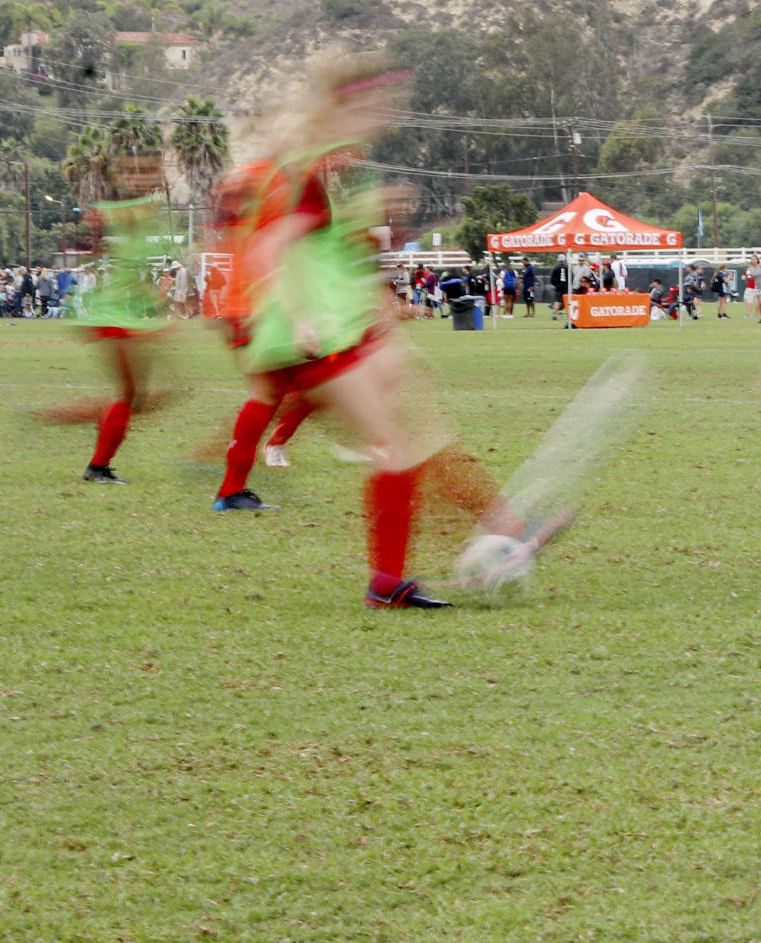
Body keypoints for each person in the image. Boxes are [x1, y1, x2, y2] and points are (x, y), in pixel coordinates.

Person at [238, 55, 566, 607]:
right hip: (314, 338)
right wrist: (299, 316)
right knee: (398, 445)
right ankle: (403, 575)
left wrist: (379, 310)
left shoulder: (327, 168)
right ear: (340, 107)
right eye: (370, 104)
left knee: (419, 435)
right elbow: (270, 247)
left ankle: (492, 535)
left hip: (343, 329)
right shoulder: (304, 169)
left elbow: (332, 254)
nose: (380, 114)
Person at [65, 154, 179, 484]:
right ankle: (98, 465)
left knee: (135, 394)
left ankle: (101, 431)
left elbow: (135, 277)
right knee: (132, 394)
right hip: (111, 316)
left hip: (120, 318)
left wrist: (157, 309)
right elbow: (120, 213)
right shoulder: (127, 215)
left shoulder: (137, 222)